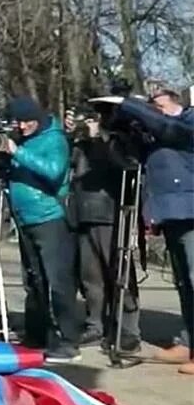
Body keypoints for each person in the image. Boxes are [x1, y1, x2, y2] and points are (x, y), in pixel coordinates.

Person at [101, 86, 194, 375]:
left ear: (175, 103)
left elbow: (167, 128)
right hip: (171, 213)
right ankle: (188, 342)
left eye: (158, 105)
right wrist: (117, 121)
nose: (154, 110)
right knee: (184, 283)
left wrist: (130, 104)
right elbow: (129, 157)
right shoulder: (156, 131)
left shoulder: (186, 122)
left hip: (190, 210)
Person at [3, 96, 81, 363]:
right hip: (26, 218)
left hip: (50, 217)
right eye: (18, 122)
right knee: (34, 280)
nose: (22, 126)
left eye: (26, 121)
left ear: (38, 118)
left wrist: (17, 152)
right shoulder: (23, 137)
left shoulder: (54, 139)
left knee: (57, 281)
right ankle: (37, 334)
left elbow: (54, 172)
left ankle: (68, 341)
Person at [66, 111, 140, 352]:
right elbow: (66, 167)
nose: (89, 123)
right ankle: (95, 324)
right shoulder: (80, 144)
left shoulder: (121, 141)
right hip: (83, 214)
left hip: (111, 215)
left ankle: (127, 329)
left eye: (94, 118)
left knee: (119, 274)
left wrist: (99, 139)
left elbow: (123, 166)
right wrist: (70, 135)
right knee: (90, 277)